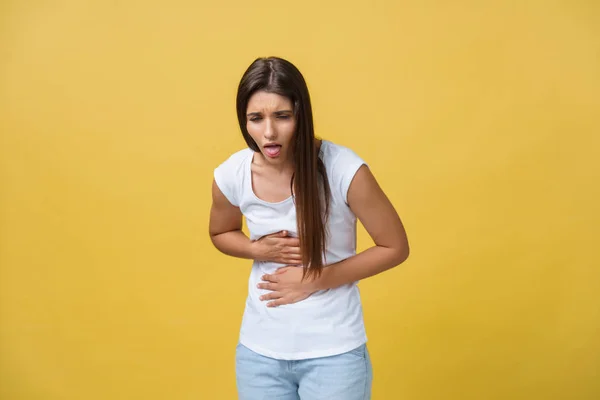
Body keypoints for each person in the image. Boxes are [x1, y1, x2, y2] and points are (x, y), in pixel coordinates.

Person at [209, 56, 409, 400]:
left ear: (301, 114)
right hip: (259, 354)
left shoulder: (344, 169)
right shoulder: (232, 173)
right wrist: (257, 249)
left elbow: (395, 247)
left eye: (282, 116)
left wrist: (316, 279)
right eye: (256, 119)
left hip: (334, 354)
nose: (268, 132)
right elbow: (220, 233)